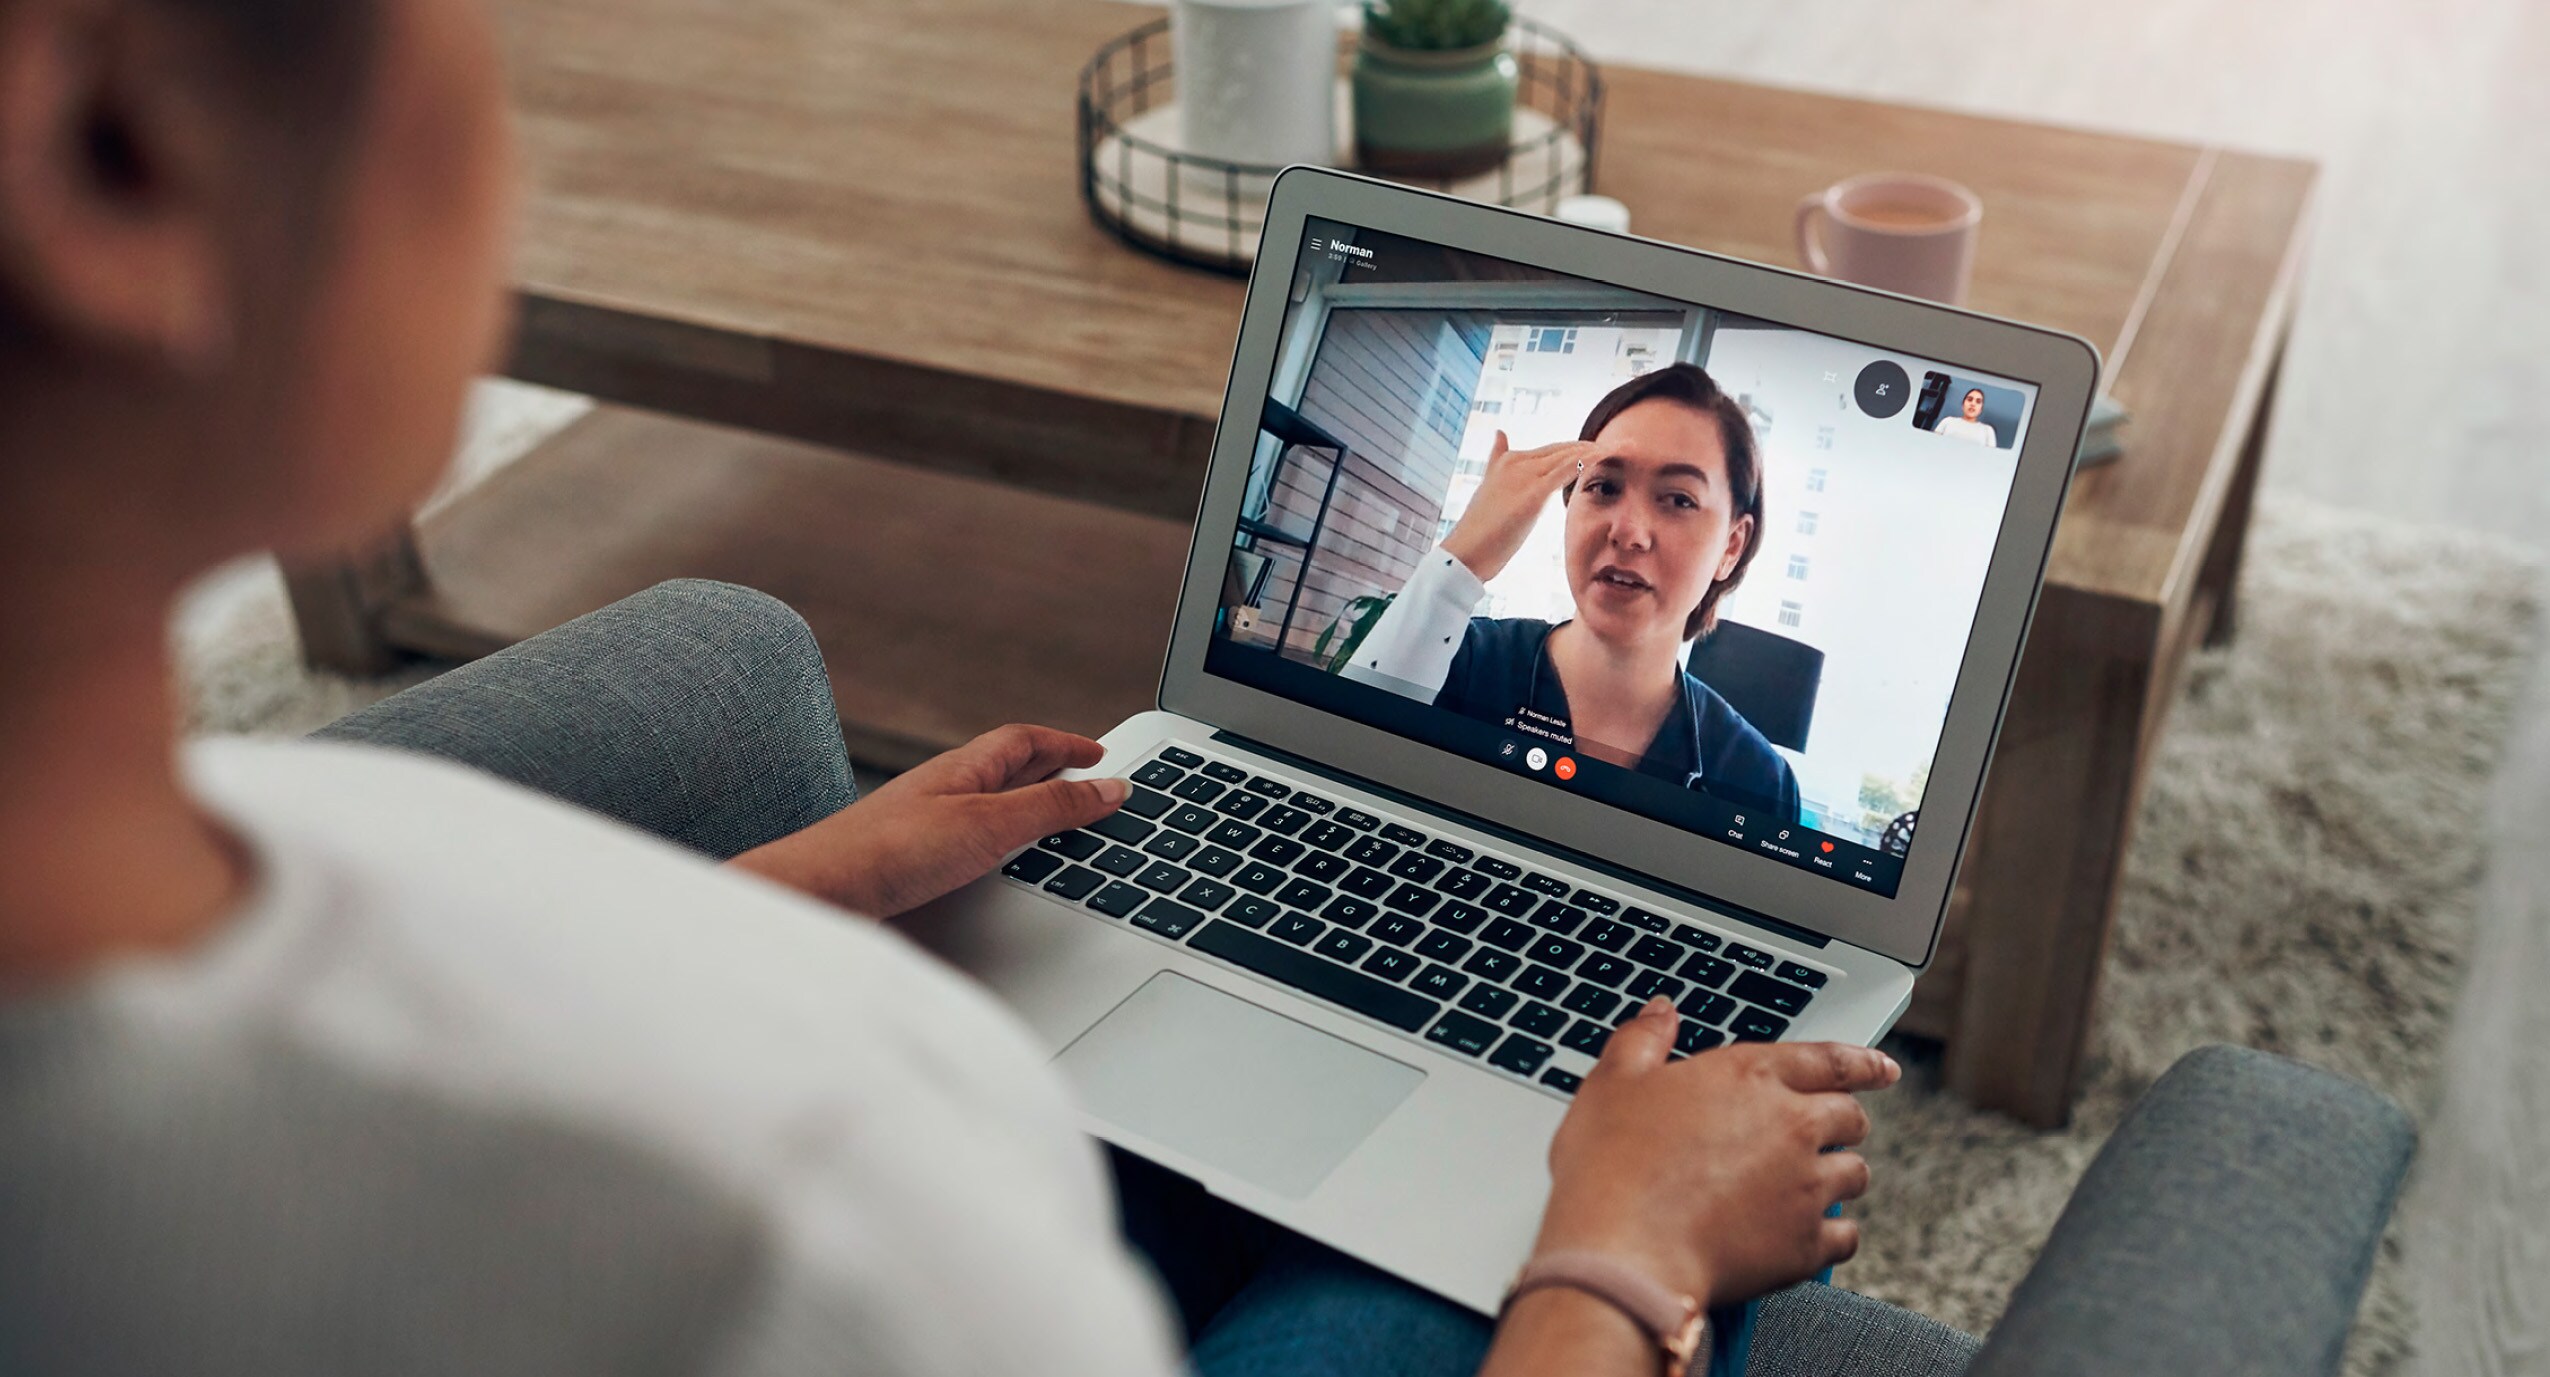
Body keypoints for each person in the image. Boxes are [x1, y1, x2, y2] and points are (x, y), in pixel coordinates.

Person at [0, 0, 1897, 1373]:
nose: (504, 104)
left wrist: (805, 878)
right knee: (1431, 1271)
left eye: (1680, 497)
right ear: (109, 156)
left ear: (1733, 544)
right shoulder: (846, 1240)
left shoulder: (279, 836)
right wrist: (1618, 1260)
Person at [1346, 364, 1803, 821]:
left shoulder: (1758, 783)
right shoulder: (1454, 663)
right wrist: (1462, 561)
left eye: (1680, 500)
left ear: (1731, 546)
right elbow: (1339, 775)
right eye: (1604, 487)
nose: (1627, 532)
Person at [1931, 387, 1999, 446]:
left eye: (1978, 402)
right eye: (1969, 399)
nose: (1973, 404)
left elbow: (1990, 455)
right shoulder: (1947, 421)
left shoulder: (1987, 430)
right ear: (1963, 405)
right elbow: (1933, 444)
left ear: (1980, 410)